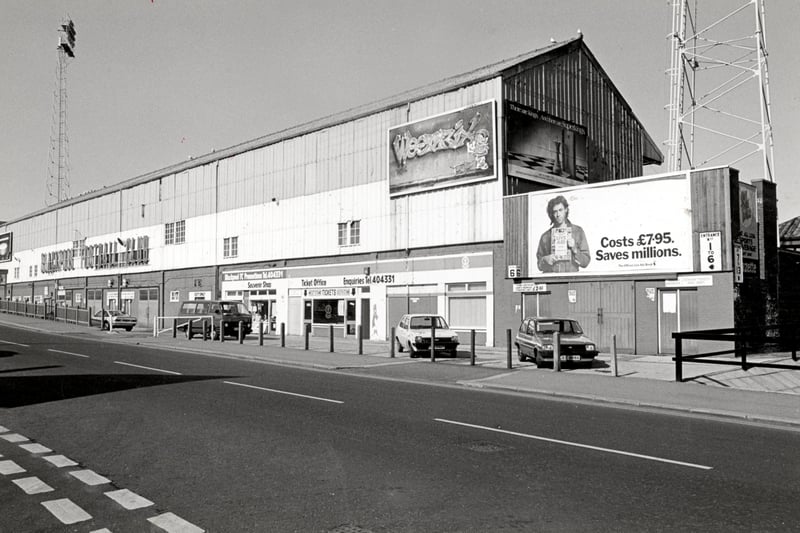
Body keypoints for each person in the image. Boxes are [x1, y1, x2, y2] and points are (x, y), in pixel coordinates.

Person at [536, 195, 590, 273]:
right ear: (552, 213)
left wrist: (574, 249)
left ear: (566, 210)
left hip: (570, 281)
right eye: (555, 211)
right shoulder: (545, 236)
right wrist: (545, 260)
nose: (558, 214)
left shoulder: (578, 232)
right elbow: (539, 265)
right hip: (552, 281)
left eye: (560, 210)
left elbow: (586, 262)